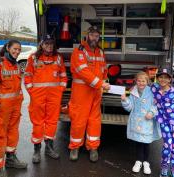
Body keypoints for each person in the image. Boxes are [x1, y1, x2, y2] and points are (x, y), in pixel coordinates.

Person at [68, 26, 110, 162]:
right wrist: (101, 83)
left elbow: (104, 69)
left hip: (96, 92)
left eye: (97, 36)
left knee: (94, 120)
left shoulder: (100, 52)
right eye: (92, 35)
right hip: (82, 91)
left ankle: (93, 147)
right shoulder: (79, 51)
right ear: (87, 35)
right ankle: (75, 147)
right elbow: (83, 71)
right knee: (79, 120)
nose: (94, 38)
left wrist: (104, 81)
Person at [0, 40, 27, 177]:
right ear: (8, 48)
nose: (17, 52)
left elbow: (17, 87)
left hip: (15, 107)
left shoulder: (16, 65)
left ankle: (10, 159)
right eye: (15, 49)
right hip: (2, 108)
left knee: (13, 132)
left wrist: (20, 100)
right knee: (0, 135)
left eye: (19, 50)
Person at [24, 34, 67, 164]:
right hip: (38, 97)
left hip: (54, 97)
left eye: (51, 44)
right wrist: (32, 92)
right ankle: (37, 150)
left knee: (52, 122)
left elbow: (63, 76)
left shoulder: (58, 58)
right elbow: (27, 76)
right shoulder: (33, 58)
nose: (49, 46)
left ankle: (49, 148)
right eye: (46, 43)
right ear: (41, 44)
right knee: (37, 123)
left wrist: (60, 90)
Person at [121, 72, 161, 175]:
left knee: (146, 143)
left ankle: (146, 162)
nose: (141, 83)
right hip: (137, 122)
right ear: (135, 81)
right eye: (139, 81)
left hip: (147, 122)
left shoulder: (151, 92)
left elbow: (156, 104)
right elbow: (130, 107)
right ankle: (138, 161)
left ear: (147, 82)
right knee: (138, 142)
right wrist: (125, 100)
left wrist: (152, 112)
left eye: (143, 81)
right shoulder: (133, 92)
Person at [151, 68, 174, 177]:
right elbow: (141, 85)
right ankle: (164, 166)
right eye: (161, 77)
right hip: (163, 121)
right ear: (157, 78)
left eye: (166, 77)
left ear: (170, 79)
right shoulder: (154, 89)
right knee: (168, 144)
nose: (163, 79)